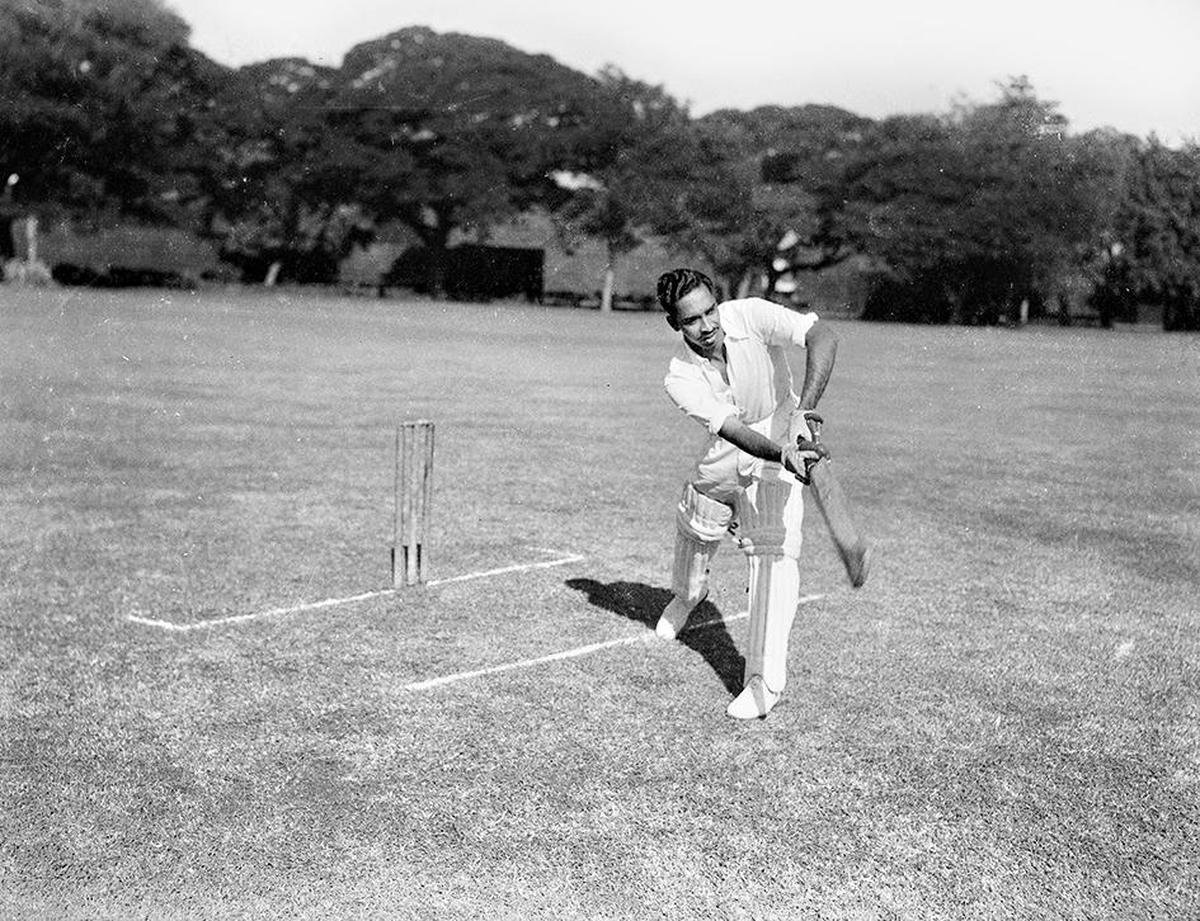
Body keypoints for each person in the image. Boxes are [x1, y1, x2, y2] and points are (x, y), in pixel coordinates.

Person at [655, 267, 838, 719]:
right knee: (700, 518)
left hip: (783, 425)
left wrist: (804, 413)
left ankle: (763, 682)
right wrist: (783, 454)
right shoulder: (679, 377)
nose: (707, 326)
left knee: (773, 553)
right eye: (692, 320)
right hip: (732, 445)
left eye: (710, 311)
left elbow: (822, 336)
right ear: (675, 324)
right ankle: (688, 596)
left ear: (718, 303)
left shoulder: (752, 314)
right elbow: (736, 432)